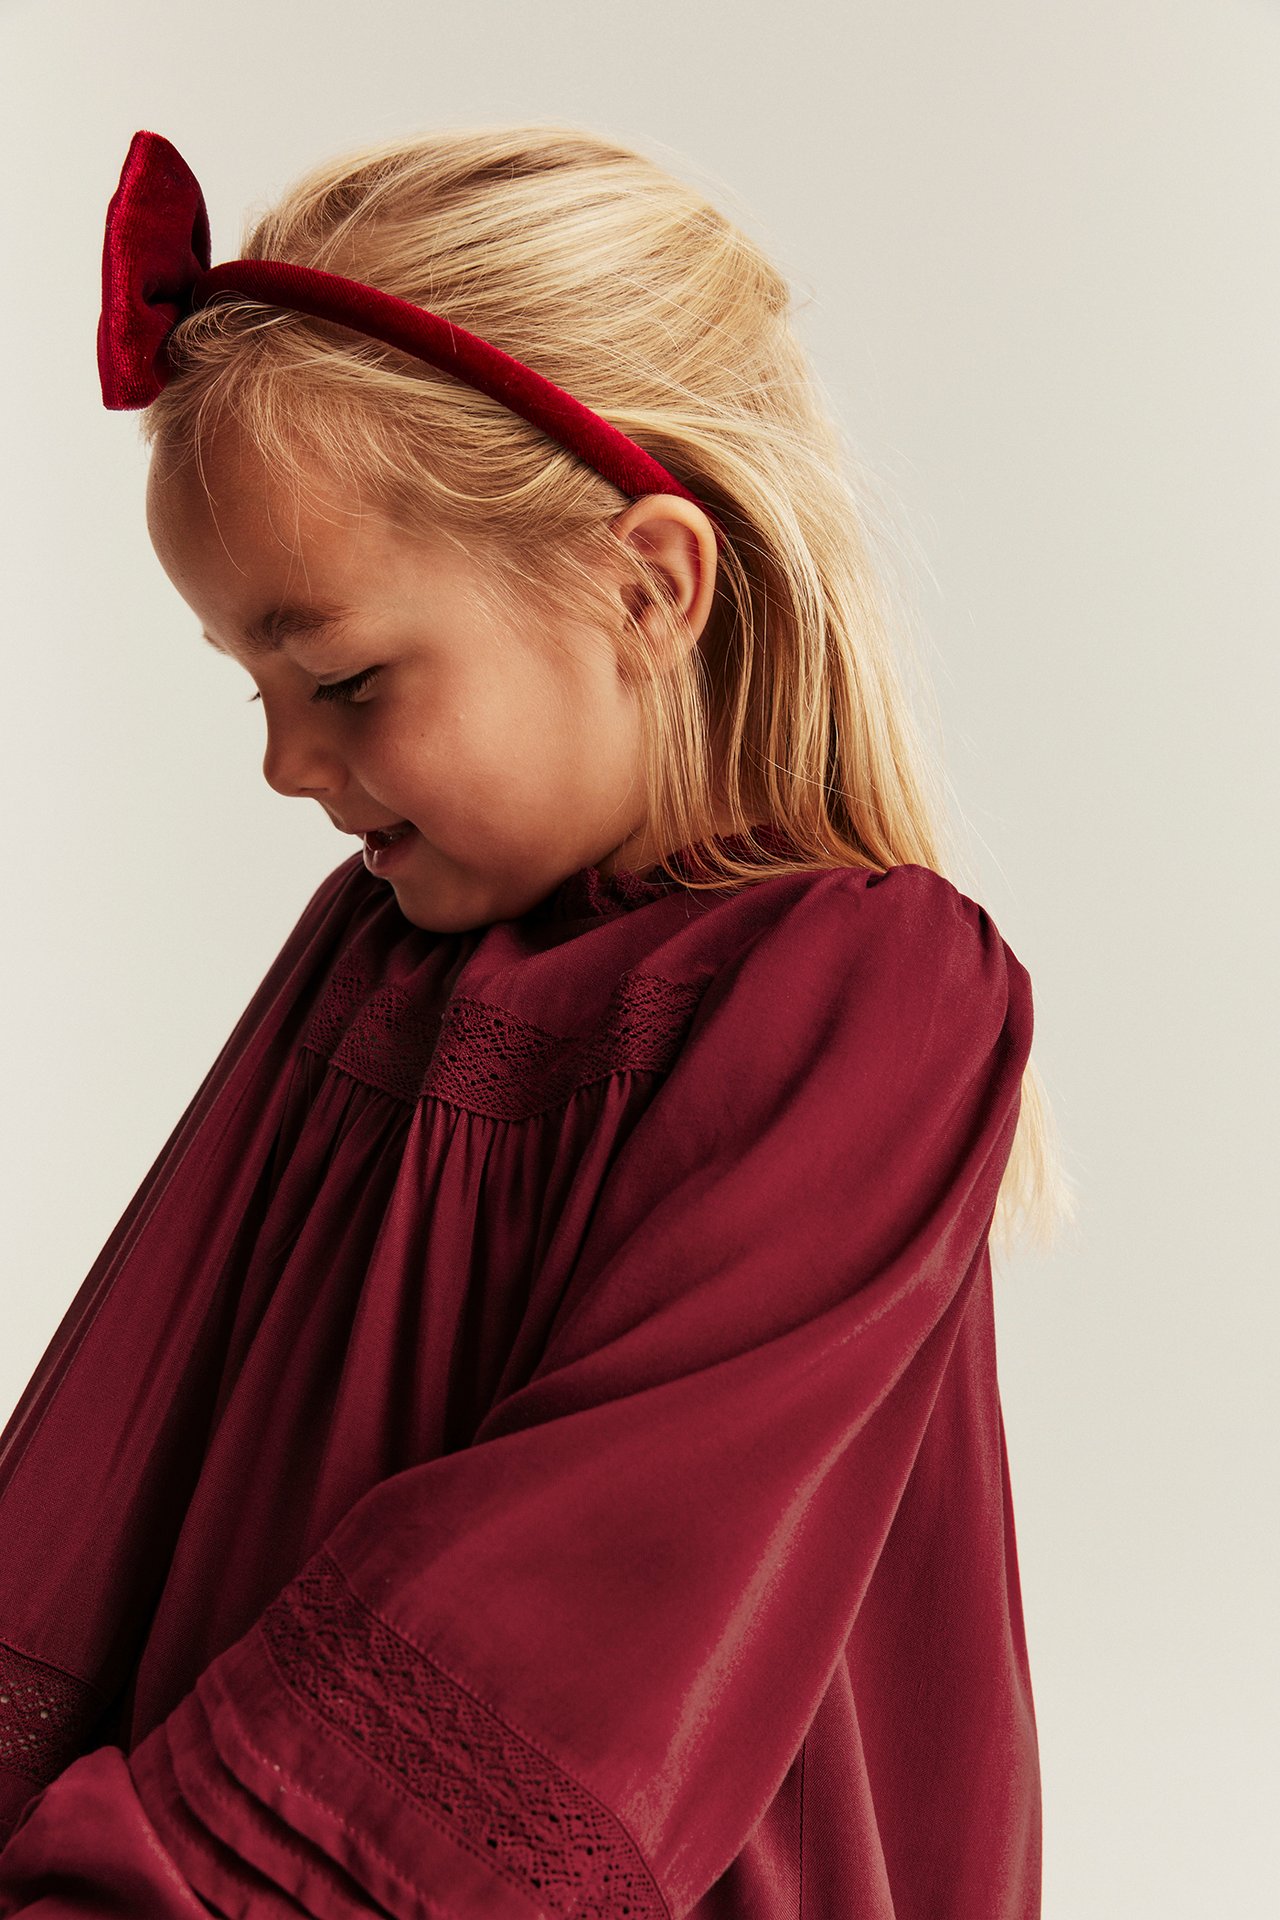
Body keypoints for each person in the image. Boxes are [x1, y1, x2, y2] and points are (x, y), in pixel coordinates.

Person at [0, 124, 1072, 1917]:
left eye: (340, 679)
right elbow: (125, 1440)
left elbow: (577, 1616)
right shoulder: (378, 951)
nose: (283, 766)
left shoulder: (864, 994)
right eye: (252, 690)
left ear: (645, 587)